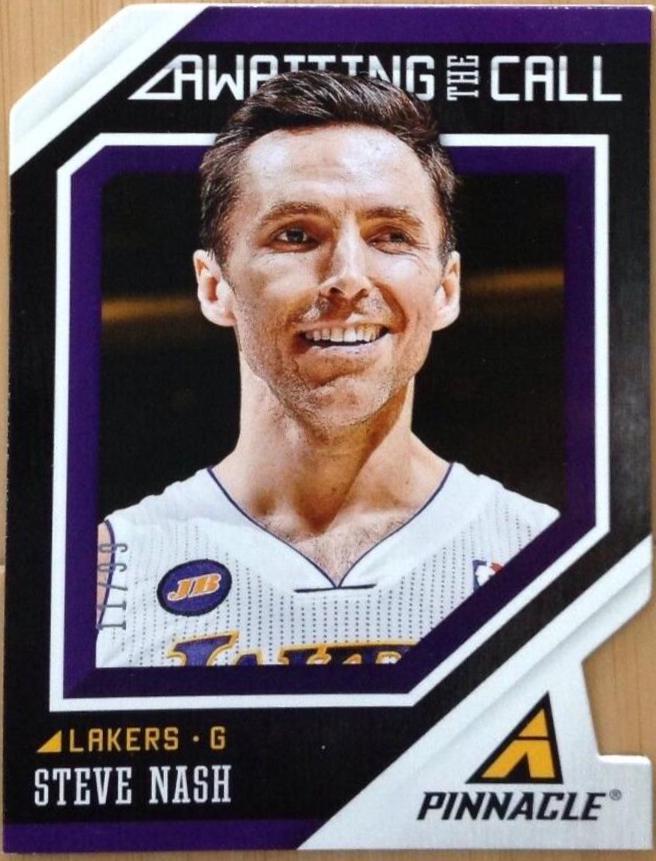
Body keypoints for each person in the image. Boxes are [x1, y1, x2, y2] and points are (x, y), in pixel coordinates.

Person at [96, 71, 557, 668]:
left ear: (446, 289)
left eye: (391, 236)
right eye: (296, 235)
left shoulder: (544, 555)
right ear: (214, 287)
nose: (349, 277)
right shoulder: (111, 574)